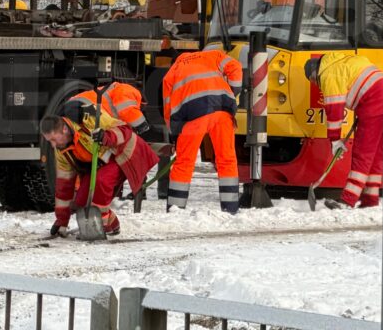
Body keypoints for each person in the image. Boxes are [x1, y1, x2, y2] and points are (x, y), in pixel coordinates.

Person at [40, 109, 158, 237]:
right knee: (81, 201)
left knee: (101, 182)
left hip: (122, 153)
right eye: (49, 141)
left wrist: (106, 136)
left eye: (53, 139)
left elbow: (124, 130)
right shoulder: (61, 151)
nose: (53, 145)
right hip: (100, 163)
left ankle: (103, 224)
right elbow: (63, 187)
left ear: (64, 129)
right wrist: (62, 221)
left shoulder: (89, 119)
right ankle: (112, 225)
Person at [162, 48, 242, 213]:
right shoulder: (213, 55)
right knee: (227, 159)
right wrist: (232, 92)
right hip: (222, 112)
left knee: (184, 162)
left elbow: (168, 105)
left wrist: (174, 131)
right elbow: (235, 67)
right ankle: (231, 208)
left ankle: (176, 208)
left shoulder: (174, 68)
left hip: (193, 116)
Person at [304, 51, 383, 209]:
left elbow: (334, 111)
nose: (316, 84)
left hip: (374, 101)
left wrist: (335, 140)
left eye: (314, 81)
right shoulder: (340, 63)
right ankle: (370, 199)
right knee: (375, 154)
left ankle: (348, 201)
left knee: (362, 153)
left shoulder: (328, 74)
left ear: (315, 74)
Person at [63, 81, 150, 135]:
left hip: (80, 107)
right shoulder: (130, 90)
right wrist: (141, 124)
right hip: (83, 106)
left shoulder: (123, 90)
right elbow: (126, 109)